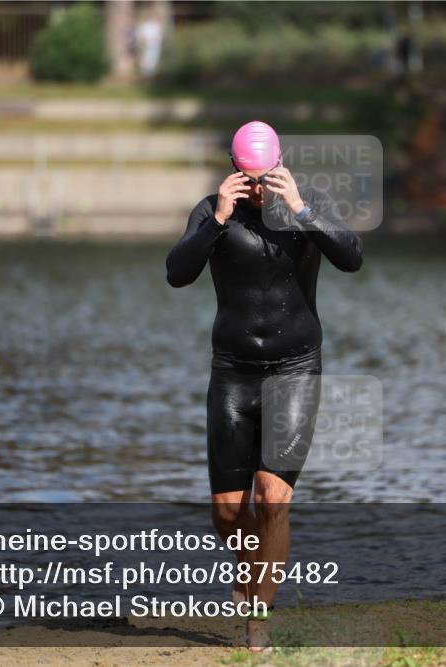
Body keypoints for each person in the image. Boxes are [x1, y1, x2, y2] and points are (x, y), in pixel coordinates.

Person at [165, 121, 363, 650]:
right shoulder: (212, 211)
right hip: (232, 373)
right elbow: (176, 273)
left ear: (279, 168)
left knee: (273, 498)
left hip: (296, 368)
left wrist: (300, 208)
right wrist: (219, 220)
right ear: (234, 170)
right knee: (229, 511)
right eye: (247, 178)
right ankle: (253, 568)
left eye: (265, 177)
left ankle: (258, 620)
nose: (257, 188)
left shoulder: (306, 203)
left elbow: (352, 256)